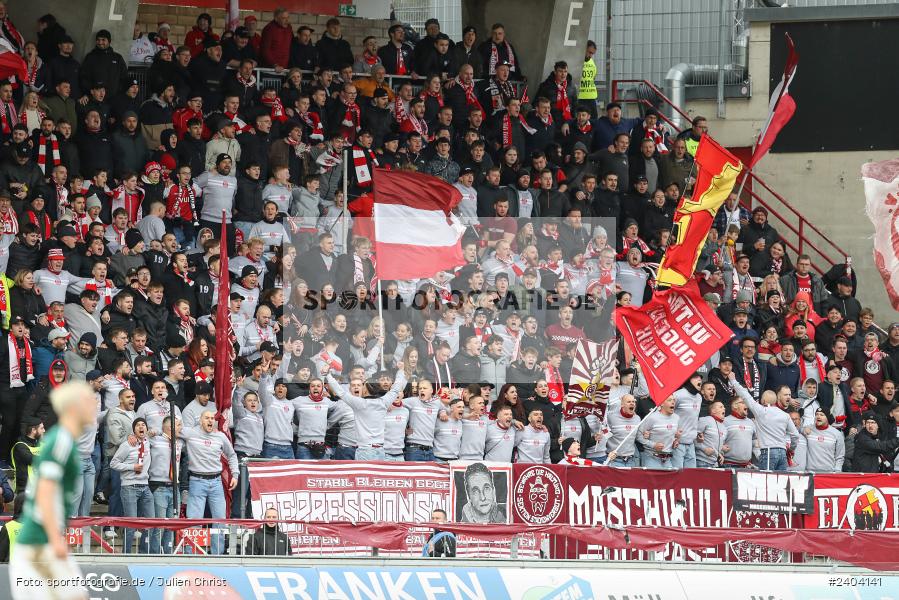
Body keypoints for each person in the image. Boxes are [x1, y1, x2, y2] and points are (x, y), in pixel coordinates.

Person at [10, 381, 96, 600]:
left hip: (43, 540)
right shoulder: (61, 440)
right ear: (74, 408)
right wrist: (55, 539)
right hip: (38, 542)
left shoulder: (64, 439)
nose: (95, 405)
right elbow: (45, 492)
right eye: (89, 400)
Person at [179, 410, 238, 555]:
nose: (210, 420)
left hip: (216, 482)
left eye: (212, 418)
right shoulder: (190, 432)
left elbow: (232, 455)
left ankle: (217, 556)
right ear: (200, 420)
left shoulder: (220, 436)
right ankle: (190, 555)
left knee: (220, 521)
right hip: (197, 481)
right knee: (194, 522)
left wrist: (235, 474)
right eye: (207, 418)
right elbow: (169, 428)